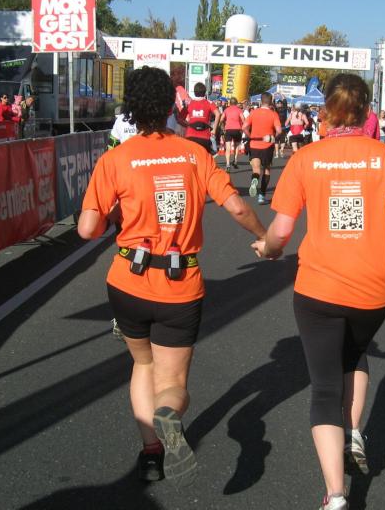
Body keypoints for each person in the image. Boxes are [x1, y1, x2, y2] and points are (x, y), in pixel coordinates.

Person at [77, 67, 268, 487]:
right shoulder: (193, 154)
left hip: (127, 279)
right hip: (179, 284)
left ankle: (150, 453)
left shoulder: (115, 159)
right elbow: (237, 207)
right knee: (173, 381)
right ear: (170, 107)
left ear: (130, 106)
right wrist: (264, 238)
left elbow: (87, 229)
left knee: (142, 364)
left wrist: (117, 212)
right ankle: (169, 413)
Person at [252, 74, 385, 510]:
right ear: (367, 110)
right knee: (355, 353)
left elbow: (282, 231)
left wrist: (268, 249)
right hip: (373, 288)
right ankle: (352, 431)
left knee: (325, 387)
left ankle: (335, 495)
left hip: (319, 287)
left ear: (326, 110)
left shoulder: (306, 158)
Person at [243, 92, 282, 205]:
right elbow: (279, 131)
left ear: (261, 101)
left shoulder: (253, 112)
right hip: (267, 145)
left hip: (254, 144)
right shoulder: (273, 114)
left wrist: (250, 136)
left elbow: (244, 127)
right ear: (271, 102)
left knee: (256, 169)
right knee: (266, 169)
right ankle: (262, 195)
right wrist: (273, 137)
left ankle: (254, 179)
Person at [184, 83, 219, 154]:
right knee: (204, 157)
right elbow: (218, 114)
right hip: (204, 136)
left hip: (190, 135)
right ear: (205, 92)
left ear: (194, 92)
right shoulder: (209, 103)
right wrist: (214, 129)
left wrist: (187, 125)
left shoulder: (189, 103)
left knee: (191, 157)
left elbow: (181, 117)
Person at [222, 97, 245, 171]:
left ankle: (228, 164)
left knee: (228, 147)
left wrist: (223, 126)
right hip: (237, 129)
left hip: (228, 129)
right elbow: (243, 119)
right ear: (236, 103)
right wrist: (243, 128)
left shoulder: (226, 110)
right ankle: (235, 161)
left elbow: (221, 119)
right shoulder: (239, 110)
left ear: (230, 103)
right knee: (236, 145)